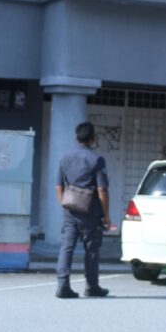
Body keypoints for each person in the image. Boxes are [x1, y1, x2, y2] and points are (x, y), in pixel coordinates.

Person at [55, 121, 112, 299]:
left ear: (76, 137)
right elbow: (102, 190)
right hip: (91, 211)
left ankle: (63, 285)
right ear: (93, 138)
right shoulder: (96, 160)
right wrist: (106, 215)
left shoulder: (65, 158)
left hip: (70, 210)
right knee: (91, 249)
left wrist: (65, 204)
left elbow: (58, 185)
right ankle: (92, 286)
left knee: (67, 247)